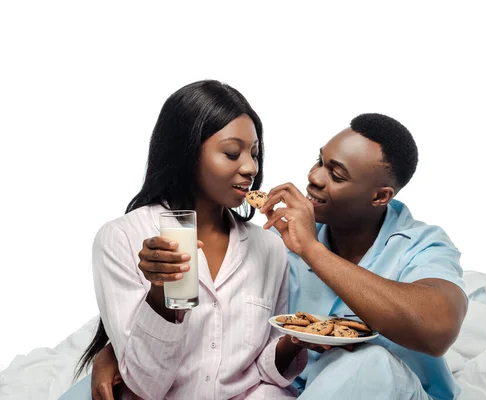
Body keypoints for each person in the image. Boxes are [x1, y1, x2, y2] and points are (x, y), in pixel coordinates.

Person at [70, 113, 469, 400]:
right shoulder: (275, 241)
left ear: (380, 196)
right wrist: (116, 349)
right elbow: (225, 321)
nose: (314, 177)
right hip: (289, 390)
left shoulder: (420, 244)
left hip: (384, 390)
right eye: (319, 161)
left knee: (368, 365)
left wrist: (311, 250)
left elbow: (436, 330)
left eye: (337, 174)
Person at [59, 80, 307, 400]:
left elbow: (263, 368)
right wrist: (160, 295)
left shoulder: (269, 247)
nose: (250, 167)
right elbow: (145, 385)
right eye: (232, 153)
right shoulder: (121, 238)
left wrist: (298, 339)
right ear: (186, 152)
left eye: (255, 154)